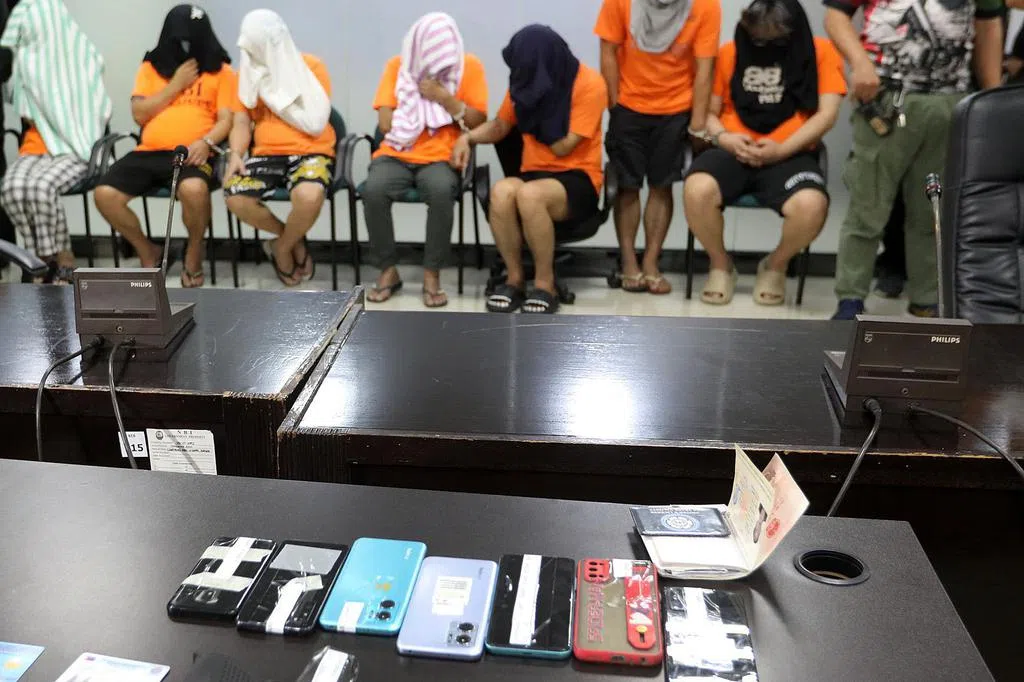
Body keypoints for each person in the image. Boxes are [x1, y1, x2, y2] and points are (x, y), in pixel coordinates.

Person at [826, 0, 1005, 319]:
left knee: (932, 208)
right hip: (886, 99)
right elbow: (835, 16)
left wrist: (993, 97)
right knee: (868, 206)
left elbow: (988, 25)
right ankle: (850, 297)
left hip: (950, 101)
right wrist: (860, 62)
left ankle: (927, 297)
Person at [683, 0, 845, 306]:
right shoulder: (730, 52)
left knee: (812, 205)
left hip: (791, 152)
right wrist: (725, 138)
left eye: (775, 38)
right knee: (696, 189)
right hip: (733, 148)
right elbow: (709, 113)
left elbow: (827, 114)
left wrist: (781, 149)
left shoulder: (821, 52)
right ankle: (720, 265)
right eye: (757, 38)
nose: (765, 44)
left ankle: (775, 265)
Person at [452, 25, 607, 314]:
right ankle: (514, 279)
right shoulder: (527, 83)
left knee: (529, 195)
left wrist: (534, 106)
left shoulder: (590, 84)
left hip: (577, 177)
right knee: (501, 192)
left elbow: (563, 146)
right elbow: (500, 126)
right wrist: (467, 138)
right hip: (533, 173)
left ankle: (545, 284)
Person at [94, 4, 233, 288]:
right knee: (105, 194)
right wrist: (175, 85)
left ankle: (194, 251)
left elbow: (226, 120)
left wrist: (207, 142)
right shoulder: (151, 67)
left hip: (193, 152)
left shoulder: (221, 71)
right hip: (150, 152)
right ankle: (148, 251)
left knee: (193, 189)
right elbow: (139, 113)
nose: (186, 45)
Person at [595, 0, 721, 295]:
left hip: (676, 109)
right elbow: (608, 50)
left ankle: (651, 263)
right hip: (628, 106)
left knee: (661, 186)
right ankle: (629, 263)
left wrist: (697, 124)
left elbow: (705, 68)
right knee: (627, 186)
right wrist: (615, 105)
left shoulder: (706, 6)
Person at [363, 12, 488, 308]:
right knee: (373, 190)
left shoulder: (468, 66)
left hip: (441, 157)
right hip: (397, 152)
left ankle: (432, 274)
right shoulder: (398, 66)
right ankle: (388, 270)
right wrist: (413, 106)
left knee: (442, 192)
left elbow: (478, 121)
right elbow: (385, 125)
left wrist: (443, 97)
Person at [0, 0, 111, 283]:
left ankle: (61, 259)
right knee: (11, 188)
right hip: (35, 147)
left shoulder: (81, 59)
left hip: (73, 148)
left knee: (41, 187)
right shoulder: (24, 67)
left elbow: (94, 109)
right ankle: (41, 256)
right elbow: (21, 105)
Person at [223, 9, 334, 287]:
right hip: (267, 154)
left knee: (309, 195)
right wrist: (235, 155)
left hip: (311, 151)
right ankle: (292, 238)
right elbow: (241, 121)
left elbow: (318, 116)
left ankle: (282, 247)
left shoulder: (311, 67)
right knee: (235, 194)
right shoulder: (246, 76)